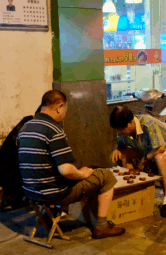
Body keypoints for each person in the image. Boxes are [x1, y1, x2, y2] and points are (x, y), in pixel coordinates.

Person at [17, 90, 125, 239]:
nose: (65, 114)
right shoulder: (53, 130)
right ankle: (101, 227)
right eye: (65, 110)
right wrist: (82, 174)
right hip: (53, 194)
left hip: (29, 192)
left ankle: (48, 218)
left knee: (74, 173)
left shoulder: (25, 127)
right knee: (106, 175)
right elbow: (66, 170)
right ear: (59, 107)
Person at [109, 106, 166, 217]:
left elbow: (160, 148)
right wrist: (116, 149)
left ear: (130, 122)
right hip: (149, 151)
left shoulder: (148, 123)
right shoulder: (125, 130)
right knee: (123, 152)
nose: (120, 132)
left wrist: (144, 160)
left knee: (159, 157)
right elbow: (119, 143)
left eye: (121, 129)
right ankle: (131, 190)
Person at [0, 106, 41, 209]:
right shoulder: (31, 124)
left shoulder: (27, 120)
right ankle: (18, 200)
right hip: (6, 169)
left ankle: (15, 198)